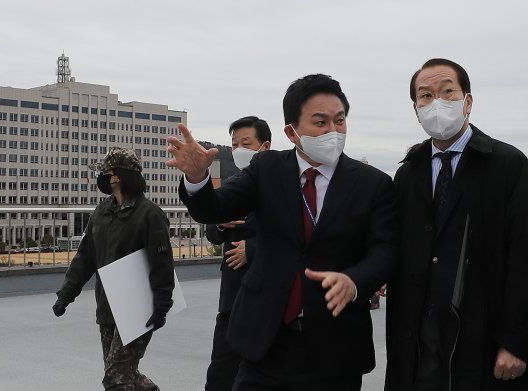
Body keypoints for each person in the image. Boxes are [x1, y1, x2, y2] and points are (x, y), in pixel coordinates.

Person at [167, 74, 397, 390]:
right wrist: (197, 178)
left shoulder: (373, 185)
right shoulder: (267, 170)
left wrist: (355, 281)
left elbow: (386, 250)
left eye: (339, 121)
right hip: (265, 340)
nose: (333, 131)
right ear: (291, 131)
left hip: (336, 348)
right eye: (320, 122)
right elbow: (215, 209)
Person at [385, 58, 528, 390]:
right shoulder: (409, 173)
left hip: (486, 333)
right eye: (425, 96)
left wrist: (517, 341)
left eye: (448, 92)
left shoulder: (507, 165)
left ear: (468, 101)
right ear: (415, 109)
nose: (436, 103)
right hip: (423, 335)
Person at [52, 147, 175, 391]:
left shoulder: (150, 215)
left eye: (106, 173)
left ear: (117, 176)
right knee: (122, 373)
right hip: (107, 306)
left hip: (139, 309)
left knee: (115, 378)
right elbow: (86, 257)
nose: (103, 178)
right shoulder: (101, 212)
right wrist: (65, 296)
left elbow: (162, 264)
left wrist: (161, 306)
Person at [205, 116, 271, 391]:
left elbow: (297, 236)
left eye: (246, 143)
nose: (239, 149)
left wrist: (253, 249)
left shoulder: (284, 186)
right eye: (234, 144)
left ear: (265, 147)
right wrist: (220, 222)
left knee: (261, 372)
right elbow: (211, 231)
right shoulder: (233, 183)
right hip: (232, 296)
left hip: (267, 297)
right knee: (221, 371)